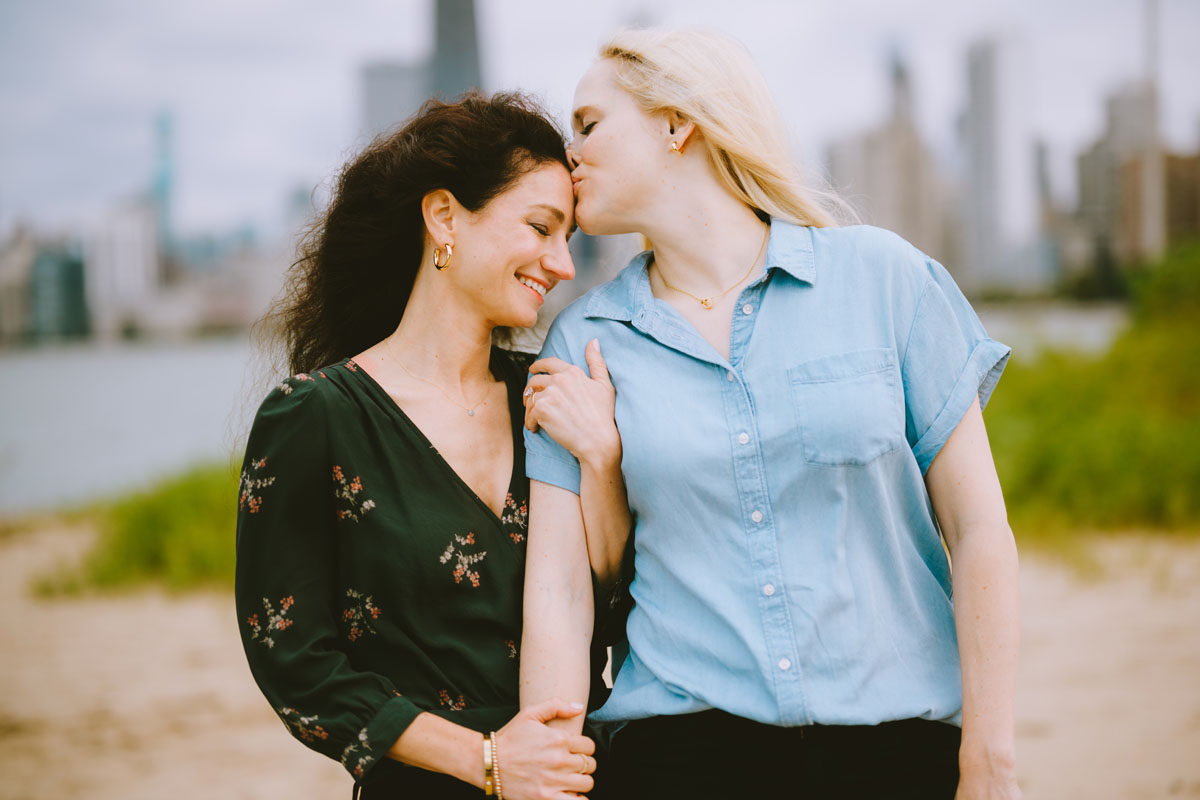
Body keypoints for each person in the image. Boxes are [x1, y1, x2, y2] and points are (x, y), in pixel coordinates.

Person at [520, 28, 1021, 799]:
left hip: (898, 754)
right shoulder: (587, 340)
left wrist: (990, 760)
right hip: (680, 760)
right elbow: (559, 587)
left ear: (675, 123)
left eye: (588, 124)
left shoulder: (887, 281)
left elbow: (979, 530)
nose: (568, 155)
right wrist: (547, 774)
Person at [235, 91, 621, 799]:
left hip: (577, 778)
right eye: (541, 227)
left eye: (568, 238)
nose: (562, 264)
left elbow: (620, 592)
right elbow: (294, 661)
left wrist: (603, 461)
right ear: (445, 216)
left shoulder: (549, 399)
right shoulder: (314, 416)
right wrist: (488, 760)